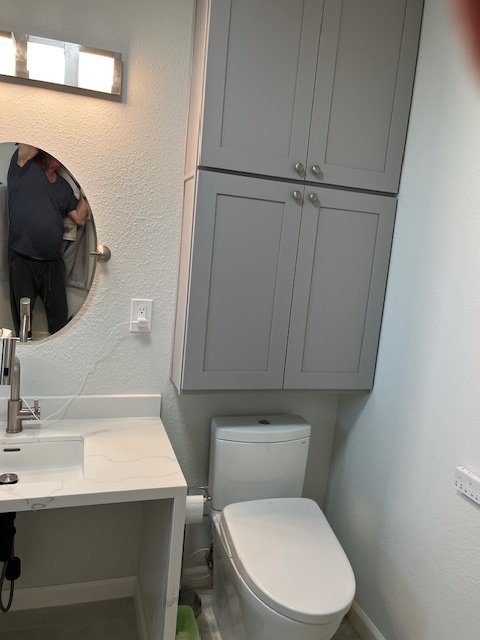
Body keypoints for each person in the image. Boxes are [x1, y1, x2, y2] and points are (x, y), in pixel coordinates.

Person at [7, 144, 90, 336]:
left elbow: (79, 218)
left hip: (52, 264)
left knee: (60, 323)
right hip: (21, 260)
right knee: (23, 325)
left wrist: (87, 190)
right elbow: (31, 140)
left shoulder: (63, 186)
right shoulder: (23, 165)